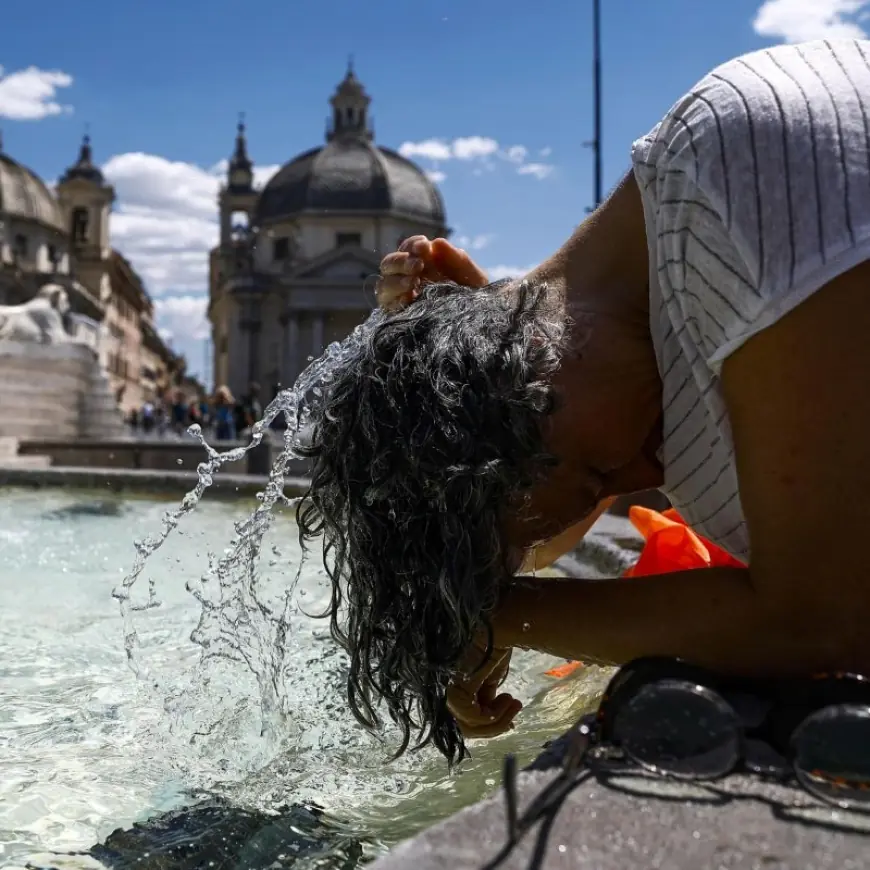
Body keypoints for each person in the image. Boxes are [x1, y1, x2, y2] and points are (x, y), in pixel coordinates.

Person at [298, 38, 870, 765]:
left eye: (597, 470)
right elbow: (540, 521)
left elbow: (827, 621)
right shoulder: (661, 359)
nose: (643, 480)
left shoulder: (743, 157)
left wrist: (494, 619)